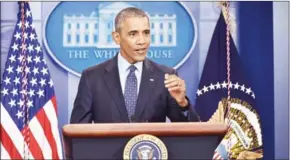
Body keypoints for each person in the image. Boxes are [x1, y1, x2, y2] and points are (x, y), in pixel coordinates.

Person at [70, 7, 200, 123]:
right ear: (117, 37)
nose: (142, 41)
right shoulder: (92, 78)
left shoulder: (165, 77)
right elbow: (77, 135)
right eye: (133, 34)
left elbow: (190, 133)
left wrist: (182, 103)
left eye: (146, 33)